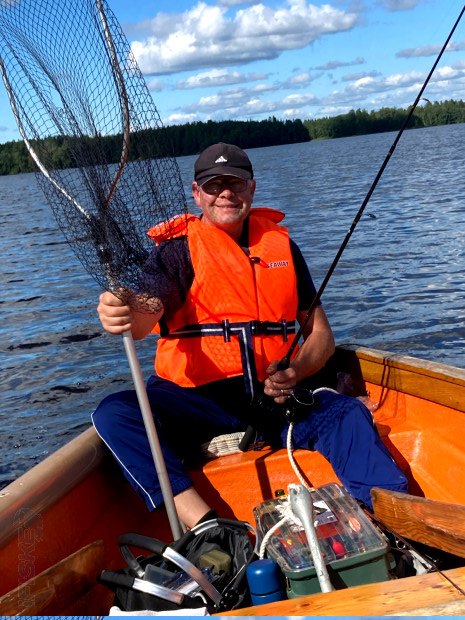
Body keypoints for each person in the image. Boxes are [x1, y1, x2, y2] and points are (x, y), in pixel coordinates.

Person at [92, 142, 408, 529]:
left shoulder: (284, 248)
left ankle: (393, 524)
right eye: (214, 185)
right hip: (195, 403)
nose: (226, 193)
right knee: (114, 414)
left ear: (252, 189)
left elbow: (321, 336)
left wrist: (295, 371)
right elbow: (145, 315)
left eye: (236, 183)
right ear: (197, 194)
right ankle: (209, 529)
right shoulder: (174, 254)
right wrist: (123, 309)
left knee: (346, 414)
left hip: (271, 398)